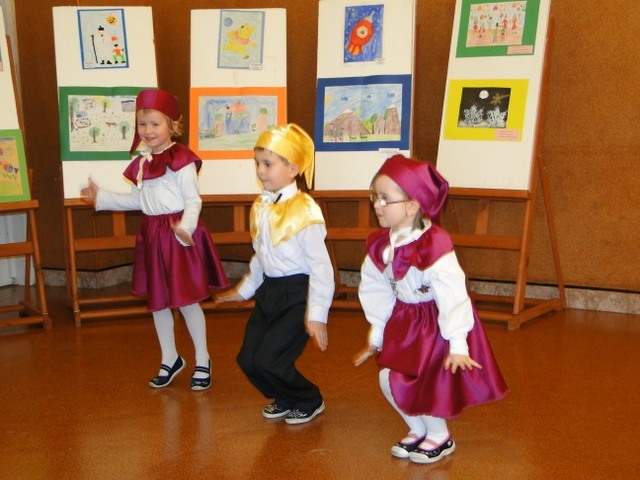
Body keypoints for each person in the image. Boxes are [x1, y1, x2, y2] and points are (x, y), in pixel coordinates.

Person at [354, 154, 508, 464]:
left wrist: (458, 344)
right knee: (388, 378)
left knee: (424, 383)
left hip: (434, 323)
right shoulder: (380, 246)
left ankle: (440, 436)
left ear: (412, 206)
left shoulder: (434, 245)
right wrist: (378, 333)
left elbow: (453, 295)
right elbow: (375, 290)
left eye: (385, 199)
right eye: (375, 197)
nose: (377, 205)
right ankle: (417, 428)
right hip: (404, 321)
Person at [81, 89, 229, 391]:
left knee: (187, 301)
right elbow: (137, 199)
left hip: (176, 235)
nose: (147, 131)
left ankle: (202, 359)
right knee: (158, 301)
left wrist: (186, 229)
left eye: (155, 124)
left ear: (172, 125)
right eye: (142, 124)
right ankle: (170, 358)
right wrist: (102, 198)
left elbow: (193, 200)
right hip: (152, 234)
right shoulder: (142, 162)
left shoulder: (182, 160)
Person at [215, 123, 334, 425]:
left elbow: (321, 267)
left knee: (271, 359)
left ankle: (309, 398)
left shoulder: (305, 210)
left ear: (292, 168)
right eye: (257, 163)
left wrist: (317, 314)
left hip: (297, 294)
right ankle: (285, 396)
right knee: (248, 359)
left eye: (268, 164)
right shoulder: (261, 205)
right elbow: (261, 257)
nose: (260, 170)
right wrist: (243, 291)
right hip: (269, 291)